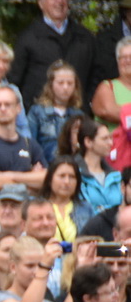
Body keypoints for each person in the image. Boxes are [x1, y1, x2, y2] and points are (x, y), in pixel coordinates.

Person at [0, 85, 46, 235]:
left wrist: (8, 176)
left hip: (27, 219)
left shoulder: (30, 144)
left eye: (7, 104)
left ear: (18, 108)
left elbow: (45, 179)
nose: (3, 108)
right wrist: (30, 179)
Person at [9, 0, 96, 110]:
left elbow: (96, 74)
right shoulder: (28, 38)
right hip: (38, 116)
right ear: (41, 3)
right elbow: (14, 79)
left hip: (77, 115)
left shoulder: (85, 37)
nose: (59, 2)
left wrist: (87, 102)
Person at [28, 61, 86, 165]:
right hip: (44, 168)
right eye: (60, 83)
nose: (65, 87)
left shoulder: (79, 115)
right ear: (51, 85)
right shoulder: (37, 112)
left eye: (70, 83)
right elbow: (30, 143)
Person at [92, 37, 131, 173]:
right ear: (117, 62)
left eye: (130, 56)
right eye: (123, 57)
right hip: (113, 160)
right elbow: (109, 111)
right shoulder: (107, 87)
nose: (127, 61)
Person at [76, 119, 123, 212]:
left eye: (110, 138)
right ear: (88, 142)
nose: (110, 143)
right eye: (105, 139)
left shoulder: (116, 176)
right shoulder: (75, 174)